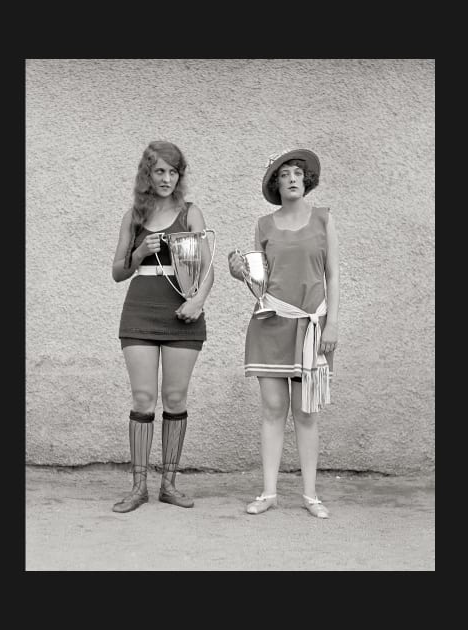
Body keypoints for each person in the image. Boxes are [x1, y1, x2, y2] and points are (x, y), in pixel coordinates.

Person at [228, 148, 339, 519]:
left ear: (306, 180)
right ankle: (269, 492)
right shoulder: (263, 225)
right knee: (273, 409)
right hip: (271, 326)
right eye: (283, 175)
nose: (291, 178)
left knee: (306, 412)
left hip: (312, 326)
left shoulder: (324, 219)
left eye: (296, 173)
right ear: (276, 185)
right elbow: (261, 286)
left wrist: (333, 322)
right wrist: (240, 273)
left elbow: (333, 275)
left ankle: (310, 495)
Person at [111, 140, 214, 513]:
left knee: (174, 399)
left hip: (182, 314)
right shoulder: (133, 216)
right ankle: (138, 486)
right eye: (159, 171)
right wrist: (139, 253)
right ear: (147, 174)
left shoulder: (191, 213)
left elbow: (207, 268)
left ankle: (168, 484)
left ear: (179, 175)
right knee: (142, 399)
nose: (167, 178)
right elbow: (117, 273)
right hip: (139, 312)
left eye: (173, 171)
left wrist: (197, 301)